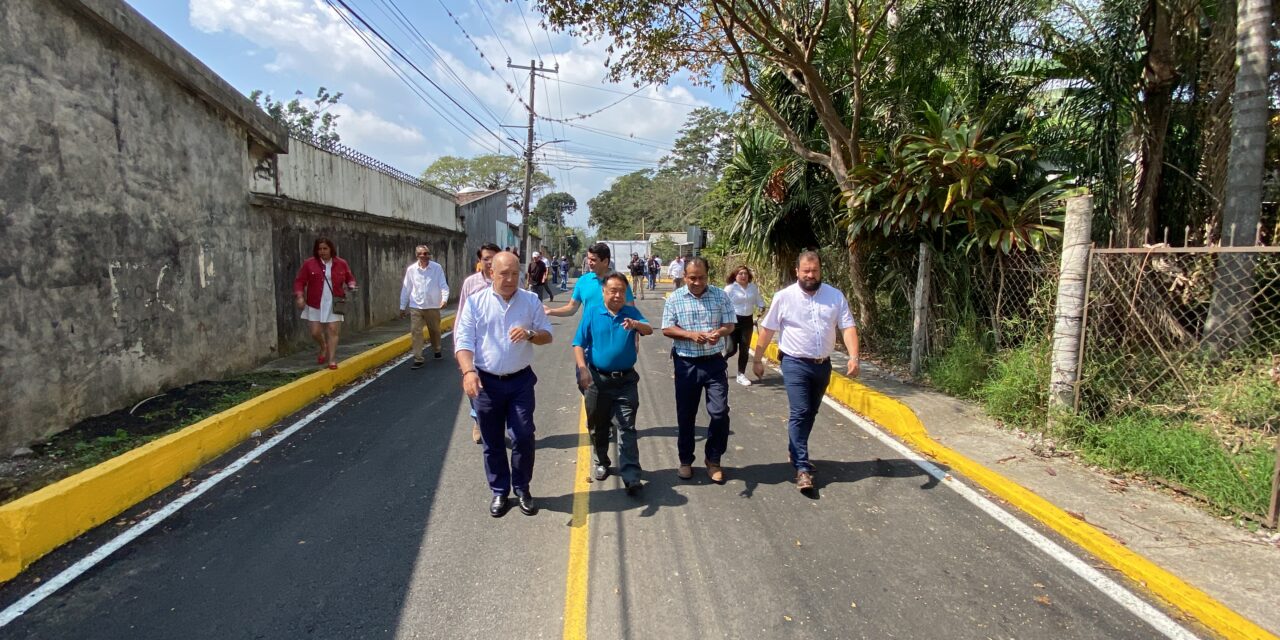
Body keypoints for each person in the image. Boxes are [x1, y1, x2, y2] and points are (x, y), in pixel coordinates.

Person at [454, 252, 554, 518]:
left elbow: (548, 335)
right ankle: (500, 491)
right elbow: (463, 342)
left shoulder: (531, 300)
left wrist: (531, 334)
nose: (510, 279)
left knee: (523, 435)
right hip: (486, 384)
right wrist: (468, 372)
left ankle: (522, 488)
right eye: (503, 274)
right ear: (490, 274)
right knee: (493, 440)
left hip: (520, 381)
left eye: (514, 274)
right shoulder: (476, 303)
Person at [752, 251, 860, 493]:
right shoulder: (784, 297)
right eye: (806, 271)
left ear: (820, 271)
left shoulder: (835, 296)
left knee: (811, 411)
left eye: (815, 271)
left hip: (823, 364)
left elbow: (848, 326)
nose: (811, 275)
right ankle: (802, 468)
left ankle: (795, 449)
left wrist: (854, 357)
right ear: (797, 272)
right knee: (800, 411)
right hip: (794, 363)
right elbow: (767, 329)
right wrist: (757, 359)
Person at [573, 273, 653, 495]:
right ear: (604, 292)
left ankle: (631, 475)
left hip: (626, 381)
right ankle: (601, 460)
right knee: (598, 426)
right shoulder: (592, 313)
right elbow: (578, 343)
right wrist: (582, 369)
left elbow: (649, 329)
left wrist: (636, 324)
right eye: (612, 291)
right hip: (598, 381)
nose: (617, 295)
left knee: (627, 427)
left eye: (621, 291)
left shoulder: (631, 313)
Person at [661, 256, 735, 483]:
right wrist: (691, 335)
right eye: (692, 278)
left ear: (707, 276)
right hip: (686, 364)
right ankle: (685, 460)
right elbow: (666, 328)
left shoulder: (721, 296)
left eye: (701, 277)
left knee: (719, 412)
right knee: (686, 415)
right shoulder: (675, 299)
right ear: (685, 277)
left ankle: (713, 460)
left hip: (714, 362)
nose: (697, 282)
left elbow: (729, 324)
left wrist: (718, 334)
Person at [546, 242, 635, 390]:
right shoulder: (583, 281)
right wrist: (551, 311)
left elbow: (631, 311)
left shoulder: (619, 282)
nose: (589, 262)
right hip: (588, 342)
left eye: (593, 259)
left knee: (613, 386)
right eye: (588, 258)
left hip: (613, 340)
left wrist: (634, 340)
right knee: (586, 385)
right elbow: (572, 308)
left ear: (605, 261)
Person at [458, 242, 502, 445]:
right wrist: (460, 348)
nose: (490, 262)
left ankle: (494, 421)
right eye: (486, 258)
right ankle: (478, 420)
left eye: (494, 257)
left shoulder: (507, 281)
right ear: (480, 261)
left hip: (497, 345)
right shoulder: (471, 283)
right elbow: (460, 316)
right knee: (474, 383)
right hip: (474, 345)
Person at [293, 237, 358, 370]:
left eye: (325, 248)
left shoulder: (341, 263)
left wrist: (351, 285)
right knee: (315, 332)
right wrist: (299, 296)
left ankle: (332, 359)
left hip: (335, 302)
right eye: (319, 249)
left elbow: (350, 278)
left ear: (331, 249)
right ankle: (323, 346)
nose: (322, 251)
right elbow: (300, 281)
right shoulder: (309, 264)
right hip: (315, 302)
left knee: (333, 330)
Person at [399, 245, 450, 369]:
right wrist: (402, 306)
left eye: (427, 253)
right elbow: (406, 288)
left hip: (432, 305)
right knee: (416, 332)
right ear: (417, 256)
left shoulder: (436, 268)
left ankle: (437, 349)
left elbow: (443, 284)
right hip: (416, 305)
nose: (425, 256)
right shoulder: (411, 270)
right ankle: (418, 358)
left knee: (435, 330)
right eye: (423, 254)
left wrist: (444, 299)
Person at [723, 265, 766, 386]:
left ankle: (741, 374)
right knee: (731, 349)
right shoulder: (730, 288)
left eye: (745, 274)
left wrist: (762, 308)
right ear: (735, 276)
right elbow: (722, 304)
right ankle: (720, 365)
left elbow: (759, 301)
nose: (743, 276)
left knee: (744, 349)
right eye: (740, 274)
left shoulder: (753, 288)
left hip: (747, 321)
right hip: (733, 321)